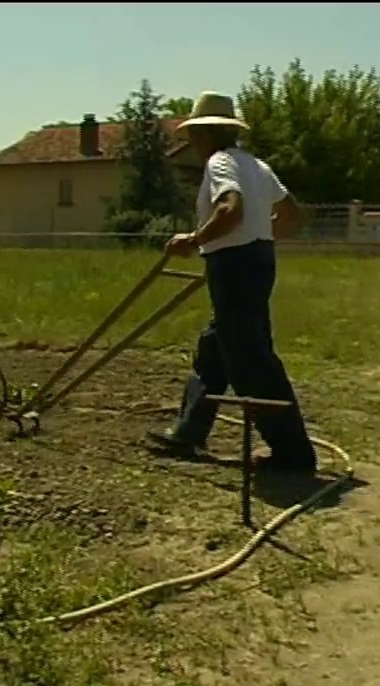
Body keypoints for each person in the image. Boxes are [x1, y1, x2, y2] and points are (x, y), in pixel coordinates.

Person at [146, 91, 317, 476]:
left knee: (250, 359)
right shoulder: (256, 164)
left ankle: (293, 454)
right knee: (215, 348)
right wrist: (259, 238)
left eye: (194, 133)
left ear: (206, 133)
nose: (191, 141)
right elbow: (291, 215)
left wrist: (194, 240)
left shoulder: (220, 163)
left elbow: (230, 209)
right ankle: (189, 430)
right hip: (256, 260)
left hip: (235, 264)